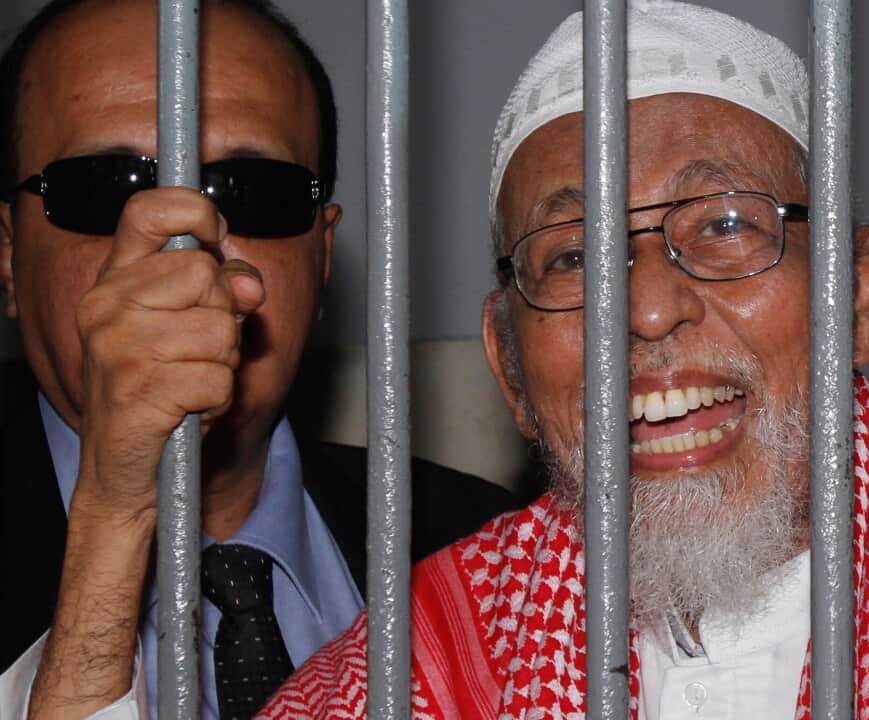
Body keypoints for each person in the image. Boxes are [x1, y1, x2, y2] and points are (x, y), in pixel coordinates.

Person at [270, 3, 869, 720]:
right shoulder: (413, 667)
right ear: (509, 365)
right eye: (573, 256)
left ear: (859, 297)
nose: (648, 307)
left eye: (727, 225)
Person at [0, 0, 520, 718]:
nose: (185, 249)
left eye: (252, 192)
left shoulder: (487, 550)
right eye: (108, 188)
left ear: (322, 257)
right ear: (8, 252)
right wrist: (114, 524)